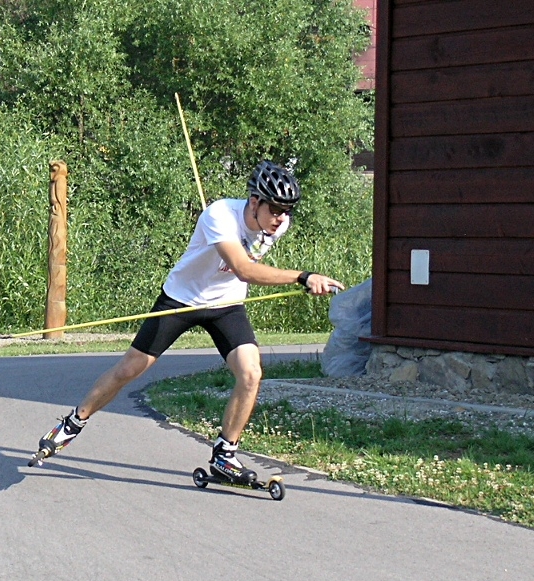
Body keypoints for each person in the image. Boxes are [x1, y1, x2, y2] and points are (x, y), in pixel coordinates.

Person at [33, 160, 344, 483]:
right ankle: (72, 424)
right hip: (181, 299)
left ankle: (225, 455)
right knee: (129, 369)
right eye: (275, 209)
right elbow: (244, 269)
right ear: (254, 201)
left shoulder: (278, 225)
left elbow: (243, 270)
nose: (280, 218)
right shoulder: (220, 215)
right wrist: (302, 276)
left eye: (287, 211)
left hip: (226, 304)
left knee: (251, 374)